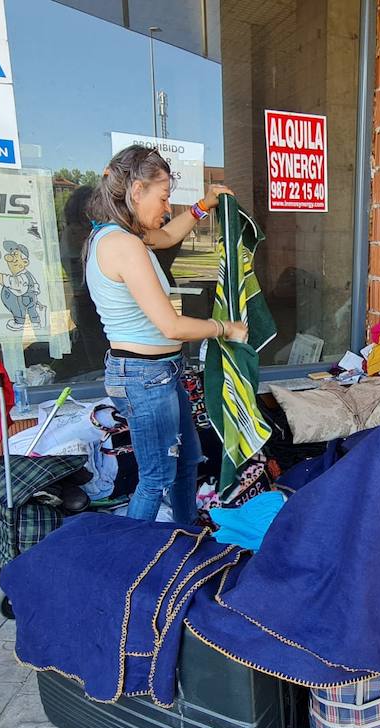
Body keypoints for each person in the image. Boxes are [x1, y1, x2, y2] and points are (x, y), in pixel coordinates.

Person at [85, 145, 244, 523]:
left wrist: (203, 205)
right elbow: (171, 327)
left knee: (187, 462)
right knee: (156, 478)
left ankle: (185, 540)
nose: (167, 207)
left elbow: (169, 235)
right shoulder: (123, 246)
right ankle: (132, 564)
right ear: (136, 191)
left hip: (159, 373)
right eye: (163, 196)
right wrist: (224, 328)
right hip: (144, 378)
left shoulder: (124, 236)